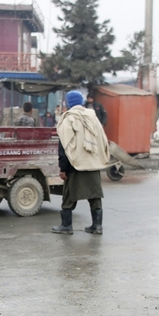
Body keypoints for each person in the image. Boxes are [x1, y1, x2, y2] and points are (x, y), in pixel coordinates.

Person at [52, 90, 109, 235]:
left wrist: (63, 168)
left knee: (69, 195)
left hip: (75, 164)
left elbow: (64, 146)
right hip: (92, 161)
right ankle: (97, 226)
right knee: (94, 194)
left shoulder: (68, 119)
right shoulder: (93, 118)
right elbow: (102, 139)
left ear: (68, 103)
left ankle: (66, 226)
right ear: (82, 101)